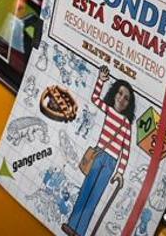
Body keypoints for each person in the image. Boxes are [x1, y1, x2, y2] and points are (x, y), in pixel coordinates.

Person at [63, 65, 134, 236]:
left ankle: (79, 231)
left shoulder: (126, 125)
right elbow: (95, 98)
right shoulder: (109, 111)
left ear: (129, 104)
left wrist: (120, 172)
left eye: (126, 98)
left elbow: (126, 150)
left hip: (111, 163)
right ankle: (72, 225)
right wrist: (101, 81)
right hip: (99, 154)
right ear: (114, 93)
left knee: (94, 197)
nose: (122, 99)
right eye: (120, 93)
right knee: (86, 189)